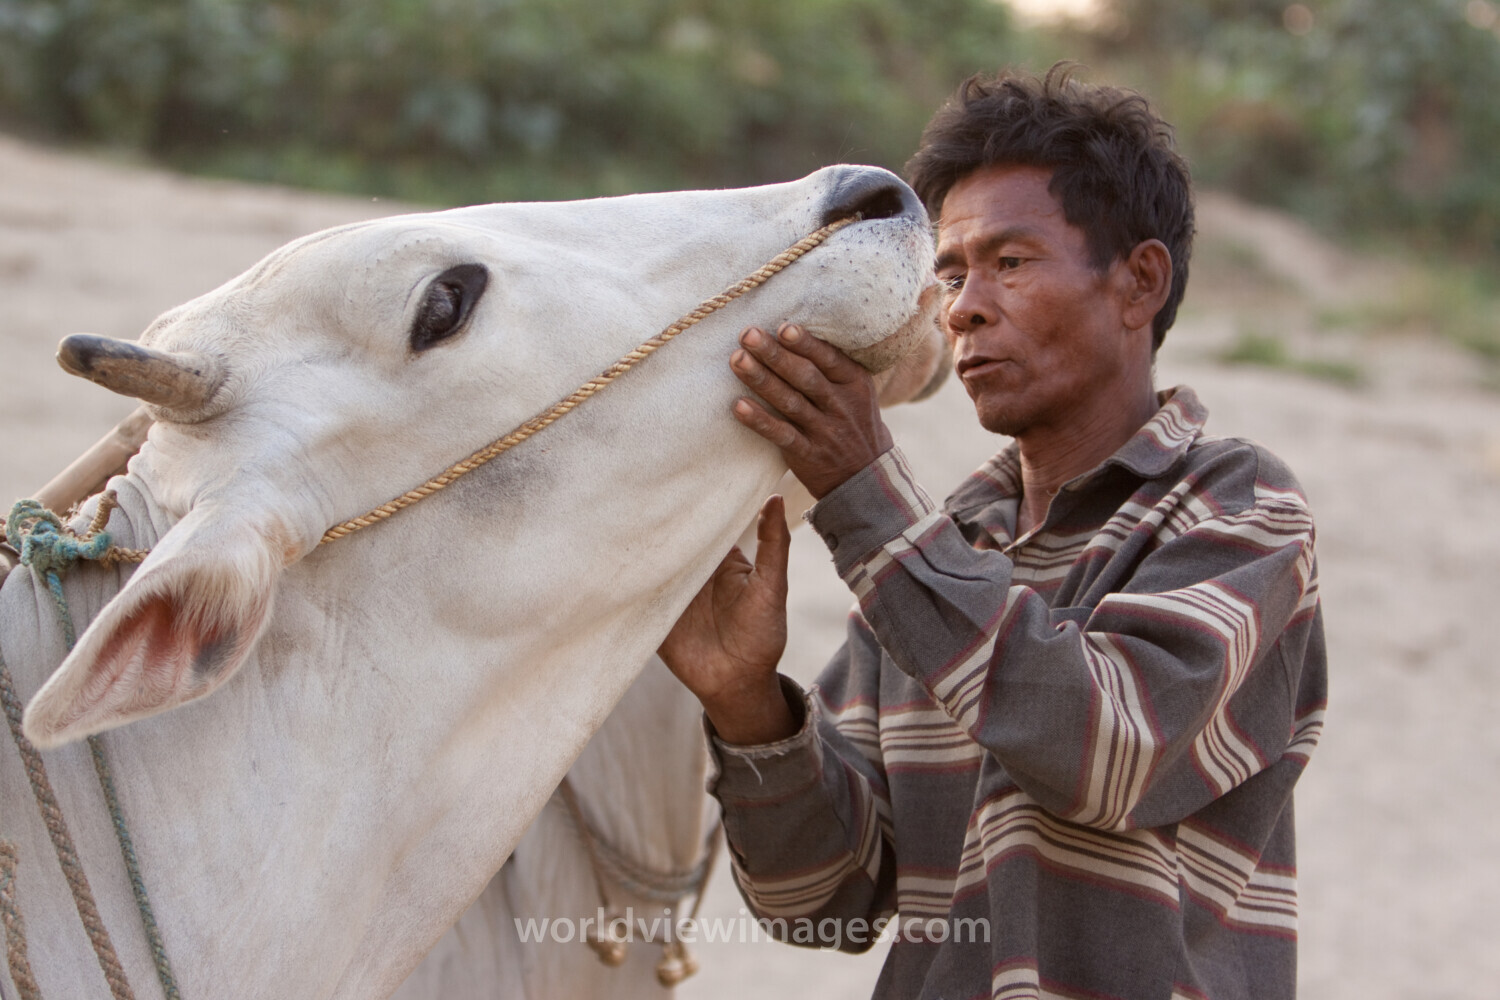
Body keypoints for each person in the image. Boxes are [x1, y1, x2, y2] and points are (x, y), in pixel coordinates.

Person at [658, 64, 1327, 1000]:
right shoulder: (941, 549)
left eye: (1010, 263)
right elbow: (823, 901)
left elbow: (1109, 749)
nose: (963, 307)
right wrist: (748, 711)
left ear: (1139, 283)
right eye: (951, 272)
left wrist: (864, 499)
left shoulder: (1238, 506)